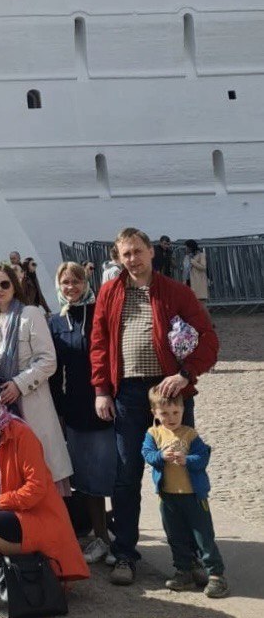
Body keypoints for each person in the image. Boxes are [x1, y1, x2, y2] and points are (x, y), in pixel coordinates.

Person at [89, 227, 219, 586]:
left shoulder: (175, 292)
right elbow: (99, 342)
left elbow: (208, 339)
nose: (132, 259)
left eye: (137, 251)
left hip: (169, 395)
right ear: (118, 258)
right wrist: (102, 389)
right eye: (125, 254)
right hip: (128, 394)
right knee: (127, 475)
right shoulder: (109, 293)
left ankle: (189, 558)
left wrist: (186, 374)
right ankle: (126, 553)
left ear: (151, 252)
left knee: (180, 474)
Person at [0, 380, 89, 583]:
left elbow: (37, 486)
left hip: (36, 513)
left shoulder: (21, 432)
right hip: (1, 513)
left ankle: (43, 572)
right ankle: (16, 575)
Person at [0, 263, 73, 490]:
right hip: (1, 406)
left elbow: (48, 360)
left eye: (5, 284)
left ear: (14, 286)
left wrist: (18, 384)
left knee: (41, 470)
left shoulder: (29, 314)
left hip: (30, 402)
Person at [49, 262, 114, 564]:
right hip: (74, 406)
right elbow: (54, 371)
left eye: (76, 281)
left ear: (85, 282)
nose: (71, 287)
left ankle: (118, 535)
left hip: (103, 402)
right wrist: (58, 409)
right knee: (86, 477)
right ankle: (99, 536)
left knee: (110, 473)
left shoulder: (99, 314)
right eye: (65, 282)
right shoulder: (56, 321)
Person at [141, 387, 227, 598]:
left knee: (203, 535)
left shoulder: (190, 434)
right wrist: (161, 456)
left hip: (193, 496)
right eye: (165, 414)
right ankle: (184, 570)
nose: (171, 418)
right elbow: (147, 454)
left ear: (182, 410)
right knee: (175, 535)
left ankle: (215, 574)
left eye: (175, 413)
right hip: (168, 496)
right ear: (155, 413)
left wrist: (186, 460)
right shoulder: (154, 434)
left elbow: (203, 458)